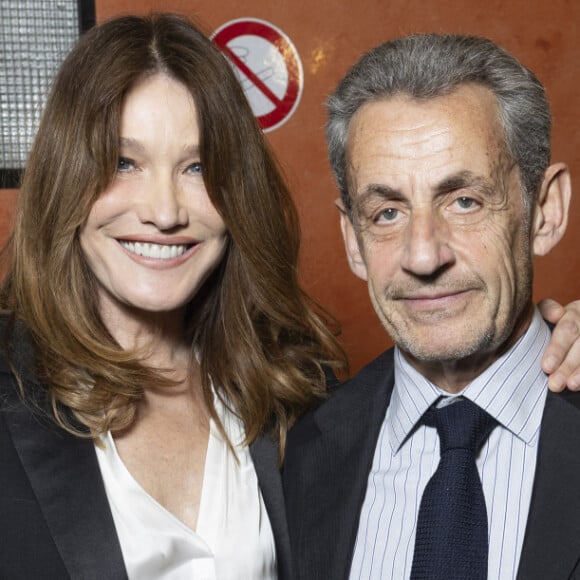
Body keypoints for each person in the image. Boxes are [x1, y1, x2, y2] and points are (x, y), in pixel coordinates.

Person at [0, 13, 348, 580]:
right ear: (65, 178)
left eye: (197, 167)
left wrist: (533, 354)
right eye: (123, 163)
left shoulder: (294, 381)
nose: (164, 213)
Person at [283, 33, 580, 579]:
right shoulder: (300, 455)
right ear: (353, 240)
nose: (423, 256)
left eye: (464, 201)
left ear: (546, 210)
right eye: (388, 213)